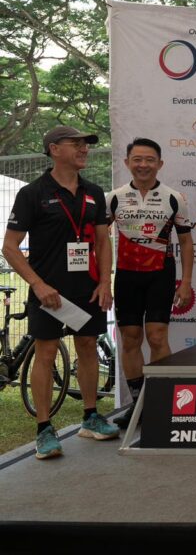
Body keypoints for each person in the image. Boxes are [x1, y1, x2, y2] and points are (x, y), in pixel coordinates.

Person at [2, 126, 117, 458]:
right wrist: (38, 285)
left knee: (88, 347)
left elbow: (102, 241)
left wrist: (105, 282)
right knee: (46, 352)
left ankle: (91, 417)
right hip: (49, 291)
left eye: (86, 145)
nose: (84, 149)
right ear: (54, 149)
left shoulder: (94, 192)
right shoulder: (33, 193)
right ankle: (44, 429)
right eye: (76, 144)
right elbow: (10, 248)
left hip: (88, 289)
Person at [107, 138, 195, 428]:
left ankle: (159, 401)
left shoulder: (174, 198)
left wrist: (186, 282)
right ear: (127, 163)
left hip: (160, 274)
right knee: (131, 339)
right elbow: (99, 240)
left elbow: (186, 242)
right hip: (126, 276)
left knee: (157, 338)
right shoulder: (114, 198)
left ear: (160, 164)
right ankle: (139, 404)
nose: (143, 165)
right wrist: (102, 279)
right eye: (137, 159)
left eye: (149, 160)